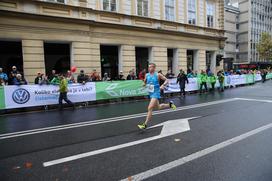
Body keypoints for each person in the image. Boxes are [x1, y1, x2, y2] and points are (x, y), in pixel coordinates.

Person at [137, 63, 176, 130]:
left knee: (150, 108)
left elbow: (167, 80)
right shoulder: (147, 75)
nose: (149, 68)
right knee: (159, 107)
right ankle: (170, 105)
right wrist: (143, 85)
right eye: (148, 67)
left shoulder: (158, 74)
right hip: (151, 92)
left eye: (151, 67)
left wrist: (163, 85)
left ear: (154, 68)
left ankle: (145, 124)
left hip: (156, 92)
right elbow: (145, 82)